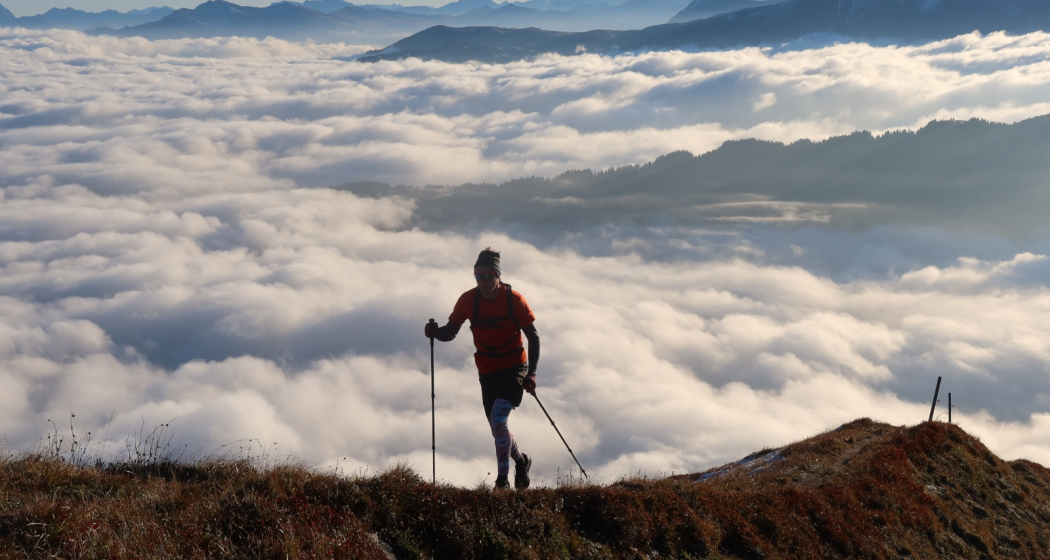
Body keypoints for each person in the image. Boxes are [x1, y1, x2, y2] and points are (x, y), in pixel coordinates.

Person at [425, 248, 540, 490]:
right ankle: (522, 461)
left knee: (498, 419)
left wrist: (531, 373)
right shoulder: (468, 301)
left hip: (514, 367)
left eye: (488, 276)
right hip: (487, 371)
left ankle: (502, 481)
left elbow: (533, 337)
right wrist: (435, 333)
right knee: (498, 427)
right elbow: (451, 332)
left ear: (498, 275)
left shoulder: (514, 300)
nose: (484, 281)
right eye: (478, 276)